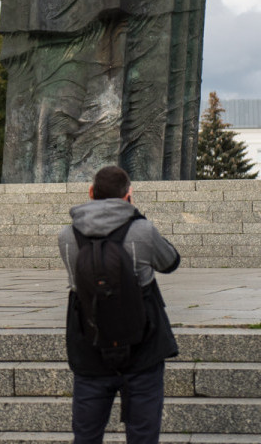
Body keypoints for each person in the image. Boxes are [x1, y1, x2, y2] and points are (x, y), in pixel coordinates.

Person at [58, 165, 180, 444]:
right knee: (143, 436)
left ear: (91, 193)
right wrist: (138, 217)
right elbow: (171, 262)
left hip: (89, 345)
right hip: (143, 345)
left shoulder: (66, 236)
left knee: (86, 436)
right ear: (128, 195)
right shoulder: (143, 230)